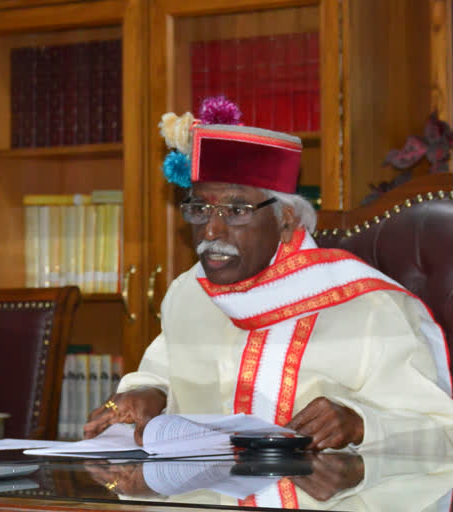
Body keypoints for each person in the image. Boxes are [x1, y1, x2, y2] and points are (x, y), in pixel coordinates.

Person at [83, 96, 453, 450]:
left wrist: (361, 425)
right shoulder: (190, 293)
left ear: (286, 219)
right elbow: (161, 371)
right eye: (200, 208)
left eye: (237, 210)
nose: (210, 231)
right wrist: (149, 392)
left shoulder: (368, 307)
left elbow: (440, 432)